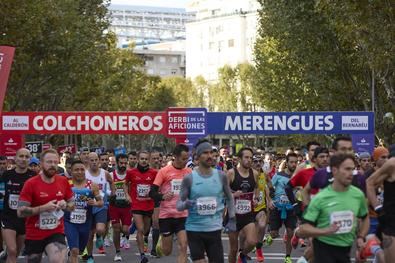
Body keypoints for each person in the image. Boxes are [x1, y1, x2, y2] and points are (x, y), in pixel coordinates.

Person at [298, 153, 369, 263]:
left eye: (352, 169)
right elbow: (303, 229)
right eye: (347, 169)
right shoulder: (321, 198)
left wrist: (361, 237)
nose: (351, 173)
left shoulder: (358, 195)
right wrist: (325, 231)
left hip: (345, 251)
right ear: (335, 171)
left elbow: (365, 217)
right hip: (324, 250)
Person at [177, 140, 236, 263]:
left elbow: (230, 198)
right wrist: (186, 204)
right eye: (205, 153)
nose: (210, 156)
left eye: (211, 153)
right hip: (194, 229)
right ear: (197, 157)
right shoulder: (189, 178)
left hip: (214, 229)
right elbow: (179, 205)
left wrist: (232, 218)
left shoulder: (221, 176)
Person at [17, 149, 75, 263]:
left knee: (58, 260)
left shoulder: (63, 181)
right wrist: (43, 208)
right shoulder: (31, 183)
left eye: (55, 162)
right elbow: (20, 212)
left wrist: (66, 204)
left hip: (56, 231)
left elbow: (72, 205)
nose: (52, 165)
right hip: (34, 233)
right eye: (49, 162)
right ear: (41, 163)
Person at [149, 144, 191, 262]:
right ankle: (161, 242)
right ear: (175, 157)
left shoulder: (188, 172)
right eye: (183, 158)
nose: (185, 161)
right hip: (166, 216)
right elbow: (152, 193)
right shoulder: (164, 171)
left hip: (183, 215)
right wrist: (163, 196)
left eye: (187, 158)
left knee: (183, 246)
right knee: (167, 251)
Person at [1, 148, 36, 263]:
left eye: (26, 157)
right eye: (21, 156)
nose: (23, 159)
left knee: (15, 253)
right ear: (15, 159)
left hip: (25, 219)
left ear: (29, 160)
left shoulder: (33, 176)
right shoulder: (6, 175)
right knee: (12, 249)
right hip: (8, 218)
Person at [64, 160, 103, 263]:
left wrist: (94, 203)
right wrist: (66, 205)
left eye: (82, 169)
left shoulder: (92, 186)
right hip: (69, 222)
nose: (80, 172)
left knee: (80, 250)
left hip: (86, 223)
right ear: (71, 171)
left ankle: (72, 256)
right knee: (74, 250)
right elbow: (60, 201)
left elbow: (101, 202)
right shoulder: (66, 185)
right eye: (76, 170)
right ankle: (72, 254)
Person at [227, 147, 259, 263]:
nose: (249, 160)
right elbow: (223, 192)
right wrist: (234, 195)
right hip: (233, 216)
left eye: (251, 158)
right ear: (239, 159)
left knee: (252, 241)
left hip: (247, 214)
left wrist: (256, 198)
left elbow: (256, 189)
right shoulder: (231, 173)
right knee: (233, 249)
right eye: (246, 157)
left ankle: (243, 255)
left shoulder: (254, 173)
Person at [124, 151, 157, 263]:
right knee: (141, 229)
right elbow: (125, 184)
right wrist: (127, 195)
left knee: (146, 230)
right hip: (136, 204)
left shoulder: (154, 173)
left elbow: (157, 186)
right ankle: (142, 255)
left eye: (146, 159)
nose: (144, 161)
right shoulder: (131, 172)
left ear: (149, 160)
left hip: (148, 205)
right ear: (138, 159)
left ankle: (134, 224)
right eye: (142, 158)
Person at [267, 152, 298, 263]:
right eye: (292, 162)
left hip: (291, 208)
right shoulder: (279, 175)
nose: (294, 164)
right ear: (287, 163)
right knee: (274, 233)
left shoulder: (297, 176)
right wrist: (270, 200)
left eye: (296, 162)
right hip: (277, 207)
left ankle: (287, 257)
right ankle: (270, 236)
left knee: (290, 232)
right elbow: (269, 186)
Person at [366, 144, 395, 263]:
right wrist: (377, 207)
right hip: (391, 220)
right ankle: (376, 250)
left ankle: (374, 245)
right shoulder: (392, 164)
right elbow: (370, 182)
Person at [84, 152, 114, 262]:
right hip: (89, 206)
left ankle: (100, 237)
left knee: (100, 229)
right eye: (91, 160)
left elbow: (111, 182)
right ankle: (90, 256)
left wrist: (112, 194)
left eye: (96, 160)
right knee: (90, 235)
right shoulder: (85, 174)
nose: (94, 162)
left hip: (102, 205)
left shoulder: (105, 173)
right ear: (88, 161)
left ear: (99, 160)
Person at [109, 153, 132, 261]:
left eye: (125, 163)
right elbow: (106, 189)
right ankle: (118, 252)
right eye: (121, 163)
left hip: (127, 206)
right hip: (114, 206)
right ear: (117, 163)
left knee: (126, 229)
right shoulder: (111, 175)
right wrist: (111, 193)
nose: (123, 165)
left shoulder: (130, 174)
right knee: (116, 228)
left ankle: (125, 237)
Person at [252, 154, 274, 262]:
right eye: (255, 161)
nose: (257, 163)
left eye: (259, 161)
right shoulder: (247, 174)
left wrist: (270, 200)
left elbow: (268, 187)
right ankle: (242, 251)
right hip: (248, 208)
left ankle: (259, 249)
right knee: (247, 234)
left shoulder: (264, 175)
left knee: (262, 225)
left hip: (261, 206)